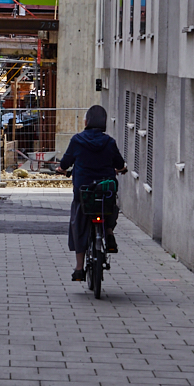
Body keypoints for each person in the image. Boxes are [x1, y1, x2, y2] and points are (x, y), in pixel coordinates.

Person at [56, 104, 127, 282]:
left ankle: (79, 268)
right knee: (110, 206)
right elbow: (119, 164)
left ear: (86, 121)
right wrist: (122, 169)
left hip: (83, 190)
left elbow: (65, 163)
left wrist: (61, 169)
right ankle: (109, 233)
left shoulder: (77, 140)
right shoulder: (109, 142)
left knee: (78, 221)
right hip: (105, 189)